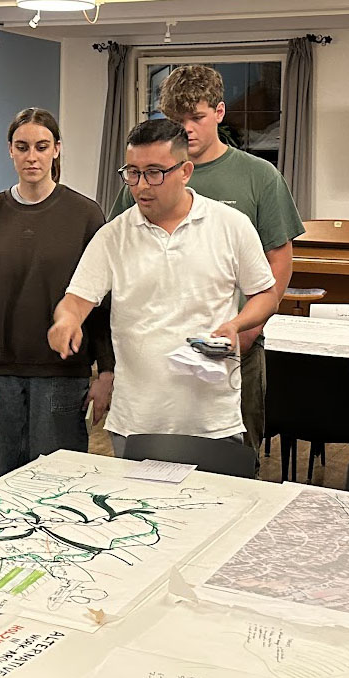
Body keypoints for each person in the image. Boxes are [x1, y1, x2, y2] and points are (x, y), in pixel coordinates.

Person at [108, 65, 303, 468]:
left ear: (219, 111)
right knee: (151, 466)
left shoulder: (258, 176)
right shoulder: (146, 179)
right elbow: (117, 252)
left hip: (232, 350)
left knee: (231, 465)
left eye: (195, 118)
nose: (186, 130)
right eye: (176, 121)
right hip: (156, 356)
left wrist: (249, 329)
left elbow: (278, 261)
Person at [50, 119, 278, 456]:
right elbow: (76, 300)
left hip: (211, 420)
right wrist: (66, 321)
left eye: (155, 172)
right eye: (133, 173)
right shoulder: (113, 236)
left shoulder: (231, 225)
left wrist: (236, 324)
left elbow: (266, 295)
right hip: (137, 421)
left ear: (185, 171)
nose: (142, 186)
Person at [0, 108, 113, 484]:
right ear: (10, 151)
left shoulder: (85, 215)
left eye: (41, 147)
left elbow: (103, 301)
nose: (32, 157)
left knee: (59, 490)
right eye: (22, 147)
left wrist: (106, 369)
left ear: (57, 149)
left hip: (63, 375)